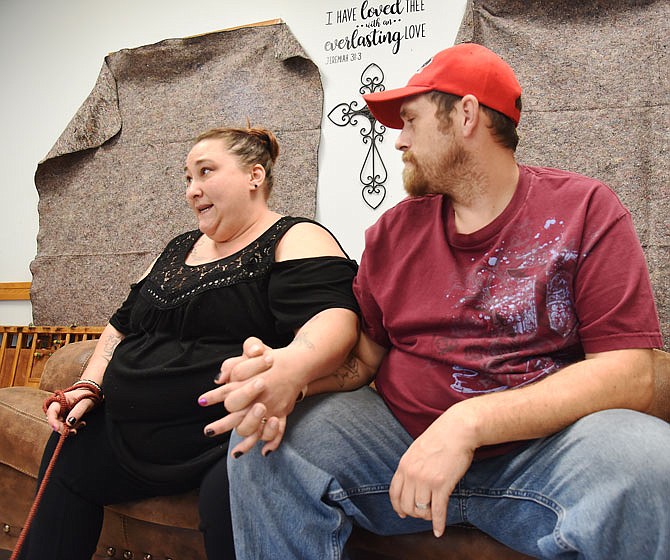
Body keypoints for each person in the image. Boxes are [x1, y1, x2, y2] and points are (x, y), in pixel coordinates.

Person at [224, 43, 670, 559]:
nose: (399, 140)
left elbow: (628, 371)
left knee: (651, 460)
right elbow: (364, 362)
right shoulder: (393, 232)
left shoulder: (585, 208)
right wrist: (289, 378)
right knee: (260, 444)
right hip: (396, 445)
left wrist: (468, 422)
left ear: (465, 114)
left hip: (544, 452)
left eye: (411, 121)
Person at [18, 126, 360, 560]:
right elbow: (120, 327)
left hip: (219, 439)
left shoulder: (294, 238)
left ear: (254, 176)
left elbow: (332, 321)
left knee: (236, 490)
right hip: (126, 432)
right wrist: (88, 387)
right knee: (67, 450)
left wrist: (292, 365)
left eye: (206, 172)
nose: (192, 190)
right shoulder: (177, 248)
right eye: (187, 178)